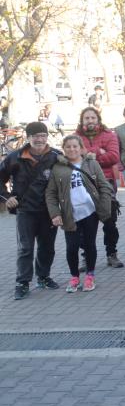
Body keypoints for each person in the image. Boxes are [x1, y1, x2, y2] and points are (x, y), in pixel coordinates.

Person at [45, 135, 114, 292]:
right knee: (72, 247)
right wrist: (55, 214)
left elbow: (104, 186)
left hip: (90, 212)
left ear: (82, 148)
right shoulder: (58, 168)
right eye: (68, 147)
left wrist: (104, 207)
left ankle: (90, 276)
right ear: (64, 149)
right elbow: (51, 193)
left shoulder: (91, 164)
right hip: (70, 214)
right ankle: (74, 277)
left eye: (75, 146)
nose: (72, 149)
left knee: (89, 245)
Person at [2, 122, 61, 299]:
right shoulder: (15, 157)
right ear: (28, 138)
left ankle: (43, 277)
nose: (39, 139)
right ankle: (22, 282)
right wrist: (7, 197)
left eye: (43, 135)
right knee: (25, 248)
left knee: (47, 247)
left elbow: (70, 174)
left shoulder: (56, 156)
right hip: (25, 210)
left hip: (48, 210)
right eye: (35, 136)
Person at [76, 107, 124, 268]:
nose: (90, 121)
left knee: (109, 222)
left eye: (93, 118)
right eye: (87, 118)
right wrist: (98, 151)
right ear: (82, 120)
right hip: (83, 184)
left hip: (106, 183)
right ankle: (86, 256)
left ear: (98, 119)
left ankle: (112, 253)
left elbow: (114, 156)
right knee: (84, 223)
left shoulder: (109, 135)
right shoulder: (75, 137)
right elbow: (73, 156)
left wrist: (90, 154)